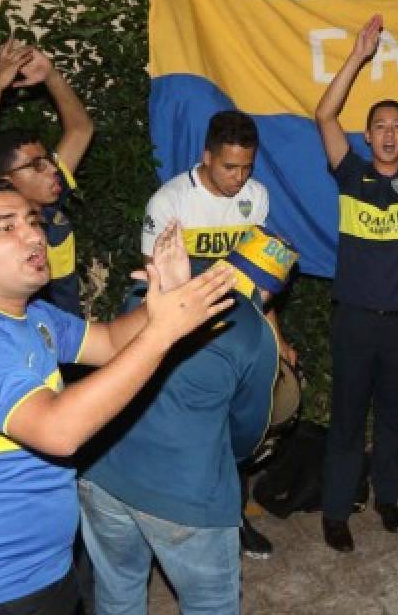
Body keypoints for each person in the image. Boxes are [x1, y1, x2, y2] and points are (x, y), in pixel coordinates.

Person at [0, 180, 235, 614]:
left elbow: (113, 342)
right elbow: (58, 431)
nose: (33, 235)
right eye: (6, 227)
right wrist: (162, 333)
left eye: (32, 220)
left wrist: (165, 298)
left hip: (48, 567)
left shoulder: (29, 315)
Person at [78, 227, 297, 615]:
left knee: (118, 590)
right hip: (185, 496)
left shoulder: (150, 294)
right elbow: (250, 429)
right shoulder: (253, 332)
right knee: (209, 604)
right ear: (271, 292)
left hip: (102, 472)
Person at [315, 14, 398, 552]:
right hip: (355, 321)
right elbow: (324, 113)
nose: (390, 134)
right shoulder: (350, 174)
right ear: (367, 137)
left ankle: (387, 497)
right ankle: (336, 508)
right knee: (346, 418)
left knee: (393, 415)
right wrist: (358, 55)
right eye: (381, 128)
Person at [138, 108, 287, 558]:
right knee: (188, 435)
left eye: (247, 166)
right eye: (229, 166)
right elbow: (152, 284)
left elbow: (261, 282)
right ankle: (172, 520)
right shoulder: (169, 203)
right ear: (206, 155)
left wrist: (276, 340)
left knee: (236, 431)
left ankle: (232, 520)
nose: (239, 178)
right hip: (184, 341)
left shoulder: (257, 197)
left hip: (239, 338)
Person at [0, 38, 95, 314]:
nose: (53, 169)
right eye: (37, 165)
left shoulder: (49, 202)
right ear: (7, 183)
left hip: (68, 340)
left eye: (48, 161)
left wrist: (51, 75)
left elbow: (81, 129)